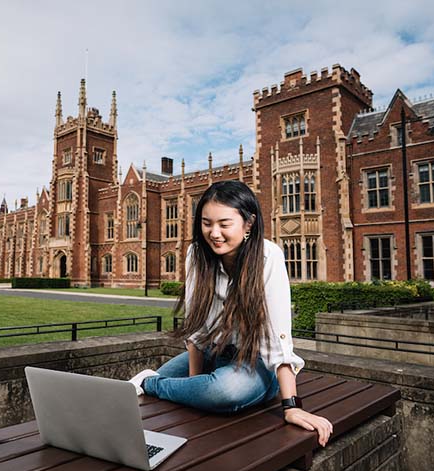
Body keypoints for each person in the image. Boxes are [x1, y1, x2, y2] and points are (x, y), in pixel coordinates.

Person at [130, 180, 333, 447]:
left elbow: (277, 338)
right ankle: (155, 383)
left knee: (223, 391)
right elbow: (198, 328)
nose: (214, 233)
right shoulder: (196, 254)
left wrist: (291, 406)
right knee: (142, 393)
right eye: (206, 223)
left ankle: (151, 382)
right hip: (213, 353)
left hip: (256, 363)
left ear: (248, 223)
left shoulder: (268, 257)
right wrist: (195, 386)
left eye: (224, 224)